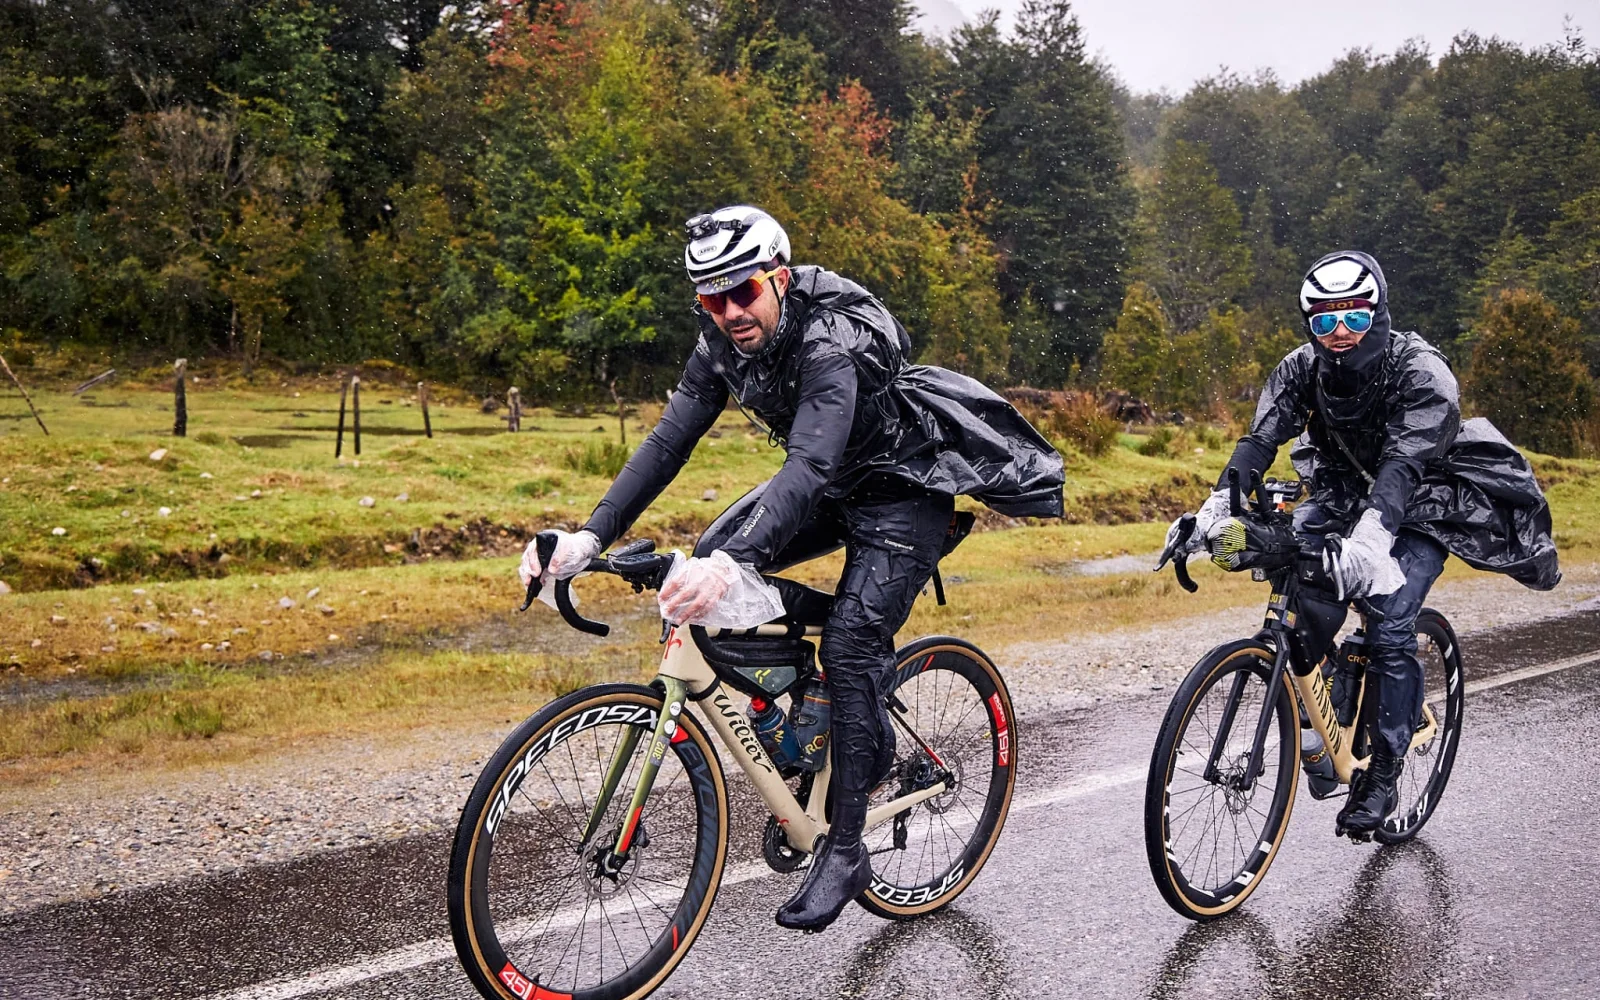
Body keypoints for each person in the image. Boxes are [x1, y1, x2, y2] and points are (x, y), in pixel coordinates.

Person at [519, 205, 1064, 929]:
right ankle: (824, 707)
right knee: (709, 576)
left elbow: (807, 462)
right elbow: (667, 443)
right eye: (711, 300)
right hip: (832, 488)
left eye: (742, 292)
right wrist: (590, 536)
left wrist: (734, 563)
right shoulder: (719, 342)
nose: (730, 313)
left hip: (904, 493)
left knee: (845, 637)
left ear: (777, 278)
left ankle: (845, 843)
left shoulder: (828, 342)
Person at [1165, 250, 1559, 839]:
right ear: (1310, 326)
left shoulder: (1420, 370)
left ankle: (1385, 771)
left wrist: (1373, 542)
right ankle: (1328, 713)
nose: (1340, 332)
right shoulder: (1301, 368)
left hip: (1424, 501)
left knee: (1390, 619)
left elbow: (1403, 466)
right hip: (1341, 490)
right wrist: (1212, 511)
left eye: (1352, 317)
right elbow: (1259, 442)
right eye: (1325, 321)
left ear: (1377, 312)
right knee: (1296, 577)